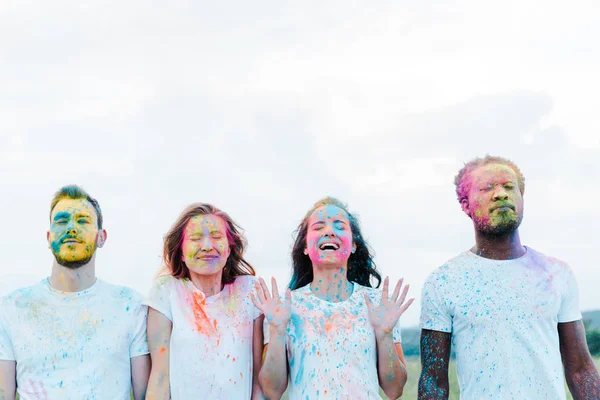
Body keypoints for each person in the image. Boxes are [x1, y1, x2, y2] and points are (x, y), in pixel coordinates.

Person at [418, 155, 600, 399]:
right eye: (487, 188)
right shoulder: (443, 281)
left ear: (522, 199)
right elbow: (434, 383)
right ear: (466, 205)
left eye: (509, 186)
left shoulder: (556, 273)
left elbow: (580, 370)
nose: (500, 194)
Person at [0, 185, 150, 400]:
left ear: (101, 237)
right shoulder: (11, 308)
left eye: (83, 220)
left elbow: (146, 395)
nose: (71, 228)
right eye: (61, 221)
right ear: (49, 237)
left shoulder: (131, 306)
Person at [255, 197, 413, 400]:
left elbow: (394, 390)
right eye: (318, 227)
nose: (329, 232)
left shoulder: (377, 304)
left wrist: (384, 334)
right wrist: (277, 331)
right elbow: (272, 391)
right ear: (305, 247)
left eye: (339, 227)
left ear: (354, 245)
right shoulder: (283, 308)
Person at [145, 203, 264, 400]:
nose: (208, 246)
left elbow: (258, 382)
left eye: (217, 237)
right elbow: (160, 377)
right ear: (181, 252)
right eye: (195, 239)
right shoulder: (166, 292)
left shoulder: (249, 291)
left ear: (229, 248)